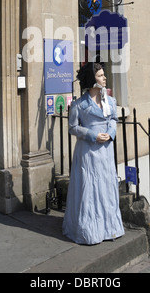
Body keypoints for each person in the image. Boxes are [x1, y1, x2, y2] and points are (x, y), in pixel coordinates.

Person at [62, 62, 125, 245]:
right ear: (92, 80)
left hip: (105, 150)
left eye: (104, 75)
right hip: (88, 152)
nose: (104, 78)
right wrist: (92, 135)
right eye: (100, 75)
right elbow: (73, 127)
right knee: (88, 190)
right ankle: (89, 231)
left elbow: (114, 119)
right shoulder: (79, 104)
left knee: (106, 187)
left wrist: (110, 134)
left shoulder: (110, 101)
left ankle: (109, 229)